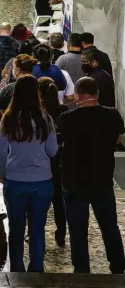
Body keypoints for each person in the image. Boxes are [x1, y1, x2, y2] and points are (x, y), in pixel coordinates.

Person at [57, 77, 125, 274]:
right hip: (102, 179)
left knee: (78, 229)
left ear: (77, 94)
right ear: (97, 94)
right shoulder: (112, 115)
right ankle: (118, 264)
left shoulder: (67, 118)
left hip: (73, 180)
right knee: (109, 225)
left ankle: (81, 268)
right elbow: (118, 138)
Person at [0, 75, 57, 272]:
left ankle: (16, 269)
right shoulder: (44, 119)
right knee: (37, 230)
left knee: (16, 229)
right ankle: (36, 269)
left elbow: (1, 152)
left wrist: (2, 173)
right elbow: (52, 151)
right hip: (42, 181)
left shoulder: (8, 118)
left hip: (15, 180)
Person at [37, 77, 68, 248]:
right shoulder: (63, 110)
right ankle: (61, 233)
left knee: (38, 204)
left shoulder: (37, 114)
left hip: (41, 163)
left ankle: (36, 233)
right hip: (59, 163)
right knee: (58, 202)